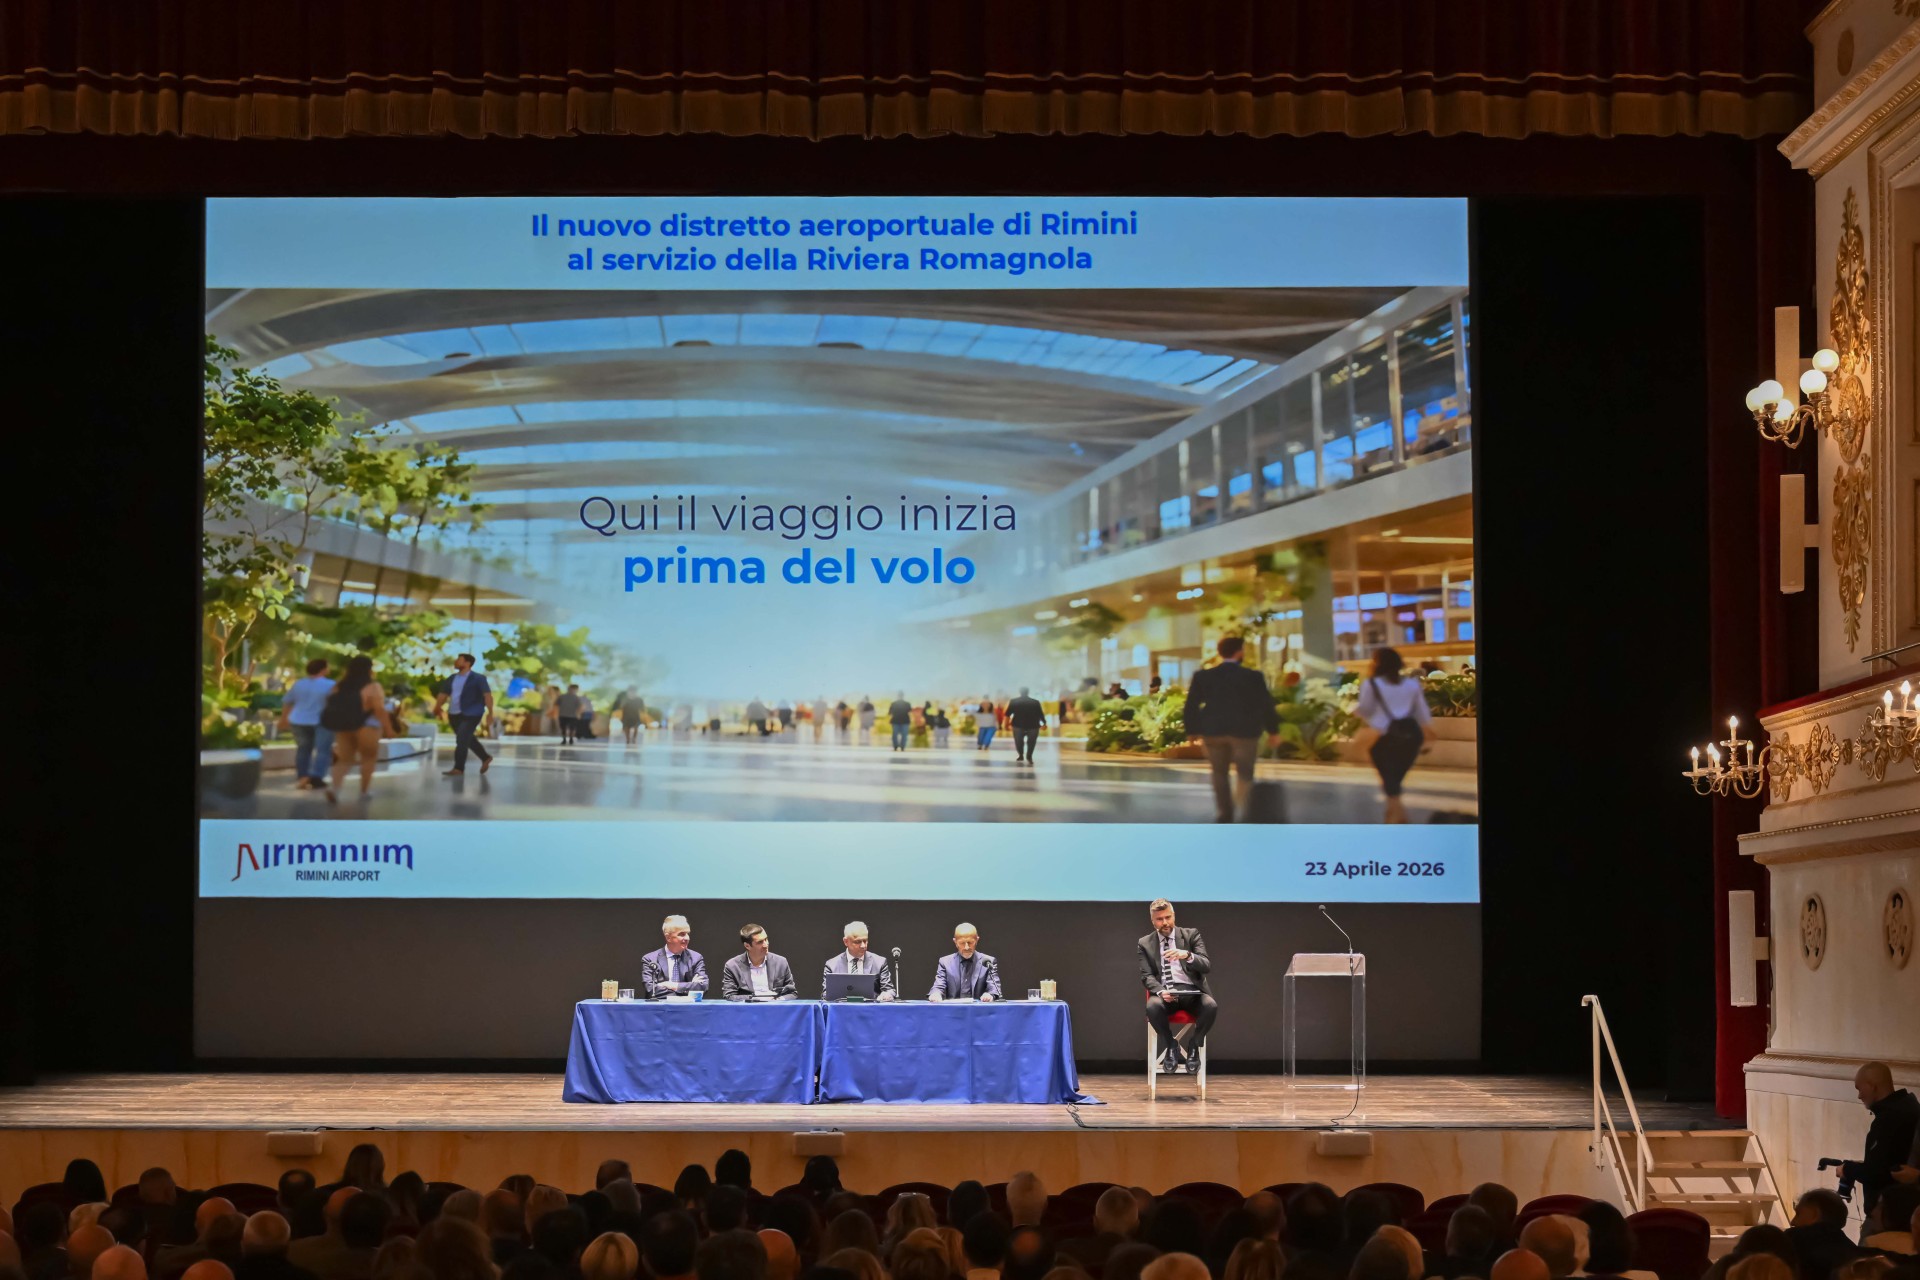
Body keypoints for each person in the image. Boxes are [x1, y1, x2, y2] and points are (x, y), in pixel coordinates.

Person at [1183, 636, 1279, 823]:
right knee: (1245, 772)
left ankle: (1224, 813)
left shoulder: (1203, 676)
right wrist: (1273, 731)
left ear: (1220, 653)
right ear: (1239, 652)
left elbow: (1191, 705)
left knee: (1219, 773)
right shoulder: (1253, 676)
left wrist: (1192, 730)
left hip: (1213, 732)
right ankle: (1244, 811)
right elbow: (1265, 705)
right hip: (1245, 733)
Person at [1354, 647, 1436, 824]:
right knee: (1396, 775)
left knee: (1388, 774)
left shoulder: (1371, 684)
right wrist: (1429, 733)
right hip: (1411, 735)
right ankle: (1395, 811)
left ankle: (1396, 812)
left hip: (1384, 736)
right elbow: (1422, 712)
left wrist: (1354, 711)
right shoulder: (1412, 685)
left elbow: (1365, 709)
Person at [1138, 898, 1217, 1073]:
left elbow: (1206, 965)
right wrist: (1160, 991)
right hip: (1167, 995)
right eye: (1160, 919)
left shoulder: (1191, 935)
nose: (1165, 922)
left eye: (1168, 917)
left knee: (1210, 1006)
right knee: (1152, 1007)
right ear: (1152, 921)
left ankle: (1194, 1045)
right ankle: (1171, 1045)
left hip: (1192, 994)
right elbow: (1147, 976)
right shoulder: (1145, 943)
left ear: (1174, 916)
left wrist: (1187, 955)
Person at [1844, 1062, 1920, 1226]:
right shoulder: (1908, 1106)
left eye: (1860, 1089)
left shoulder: (1890, 1118)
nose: (1859, 1096)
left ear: (1872, 1086)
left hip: (1888, 1215)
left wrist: (1847, 1169)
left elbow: (1877, 1173)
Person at [320, 656, 396, 804]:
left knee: (344, 759)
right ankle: (364, 791)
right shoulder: (373, 687)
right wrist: (389, 729)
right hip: (368, 726)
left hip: (344, 726)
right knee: (368, 758)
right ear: (369, 669)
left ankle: (335, 789)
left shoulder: (338, 686)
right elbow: (379, 710)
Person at [432, 653, 495, 778]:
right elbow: (443, 694)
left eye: (459, 660)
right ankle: (485, 757)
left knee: (461, 739)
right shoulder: (452, 678)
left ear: (467, 663)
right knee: (466, 738)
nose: (456, 662)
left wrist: (490, 713)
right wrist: (437, 707)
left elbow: (487, 695)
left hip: (472, 713)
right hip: (454, 713)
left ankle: (458, 768)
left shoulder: (478, 678)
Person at [277, 659, 336, 790]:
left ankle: (302, 777)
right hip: (321, 721)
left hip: (298, 720)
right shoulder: (330, 685)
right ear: (323, 669)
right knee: (323, 749)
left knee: (303, 749)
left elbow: (287, 702)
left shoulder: (299, 684)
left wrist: (283, 719)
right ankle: (317, 777)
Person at [822, 920, 896, 1000]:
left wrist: (887, 995)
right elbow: (826, 995)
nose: (863, 946)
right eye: (857, 942)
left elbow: (889, 990)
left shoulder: (880, 962)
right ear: (846, 941)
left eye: (865, 941)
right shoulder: (831, 965)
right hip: (842, 1007)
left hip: (871, 1007)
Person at [721, 924, 798, 1000]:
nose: (766, 944)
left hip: (775, 1007)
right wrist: (755, 999)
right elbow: (729, 996)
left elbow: (792, 993)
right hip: (748, 1007)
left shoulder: (781, 962)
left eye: (766, 939)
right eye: (760, 942)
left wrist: (778, 1000)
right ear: (747, 946)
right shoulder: (732, 966)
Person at [642, 914, 709, 998]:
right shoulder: (650, 959)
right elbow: (651, 990)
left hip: (688, 1006)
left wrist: (673, 985)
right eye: (682, 934)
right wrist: (689, 987)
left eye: (687, 934)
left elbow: (703, 987)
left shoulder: (696, 958)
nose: (687, 938)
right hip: (661, 1006)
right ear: (668, 938)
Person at [929, 923, 1000, 1000]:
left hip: (979, 1007)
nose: (966, 947)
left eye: (970, 942)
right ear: (955, 942)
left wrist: (990, 995)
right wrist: (936, 994)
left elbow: (994, 987)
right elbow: (939, 986)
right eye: (962, 943)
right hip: (954, 1007)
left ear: (977, 940)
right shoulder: (945, 962)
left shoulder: (988, 961)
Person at [1005, 688, 1044, 765]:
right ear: (1028, 692)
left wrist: (1006, 725)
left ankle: (1021, 755)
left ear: (1020, 692)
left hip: (1018, 725)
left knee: (1018, 741)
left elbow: (1007, 714)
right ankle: (1029, 756)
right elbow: (1040, 714)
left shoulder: (1014, 701)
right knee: (1032, 742)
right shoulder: (1035, 702)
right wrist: (1044, 723)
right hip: (1033, 725)